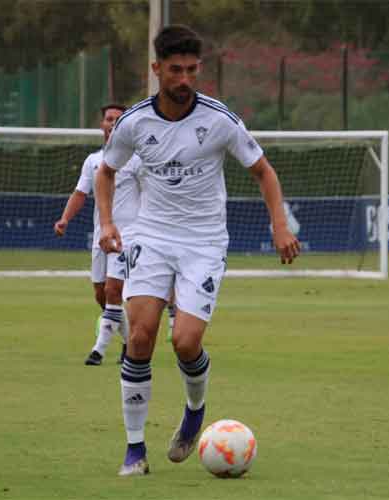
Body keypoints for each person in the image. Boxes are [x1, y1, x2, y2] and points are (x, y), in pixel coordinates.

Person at [95, 25, 300, 476]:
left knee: (185, 341)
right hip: (150, 236)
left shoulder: (218, 119)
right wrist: (108, 222)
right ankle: (134, 450)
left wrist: (279, 224)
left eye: (191, 70)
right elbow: (105, 172)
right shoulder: (133, 123)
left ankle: (194, 409)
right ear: (157, 70)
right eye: (175, 70)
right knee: (142, 336)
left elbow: (264, 171)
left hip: (204, 243)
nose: (184, 79)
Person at [53, 104, 140, 366]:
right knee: (101, 295)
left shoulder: (137, 159)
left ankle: (98, 350)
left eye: (117, 119)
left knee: (115, 290)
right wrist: (65, 219)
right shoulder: (93, 161)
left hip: (128, 235)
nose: (112, 123)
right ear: (102, 124)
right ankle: (129, 343)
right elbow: (80, 193)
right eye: (108, 119)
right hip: (101, 234)